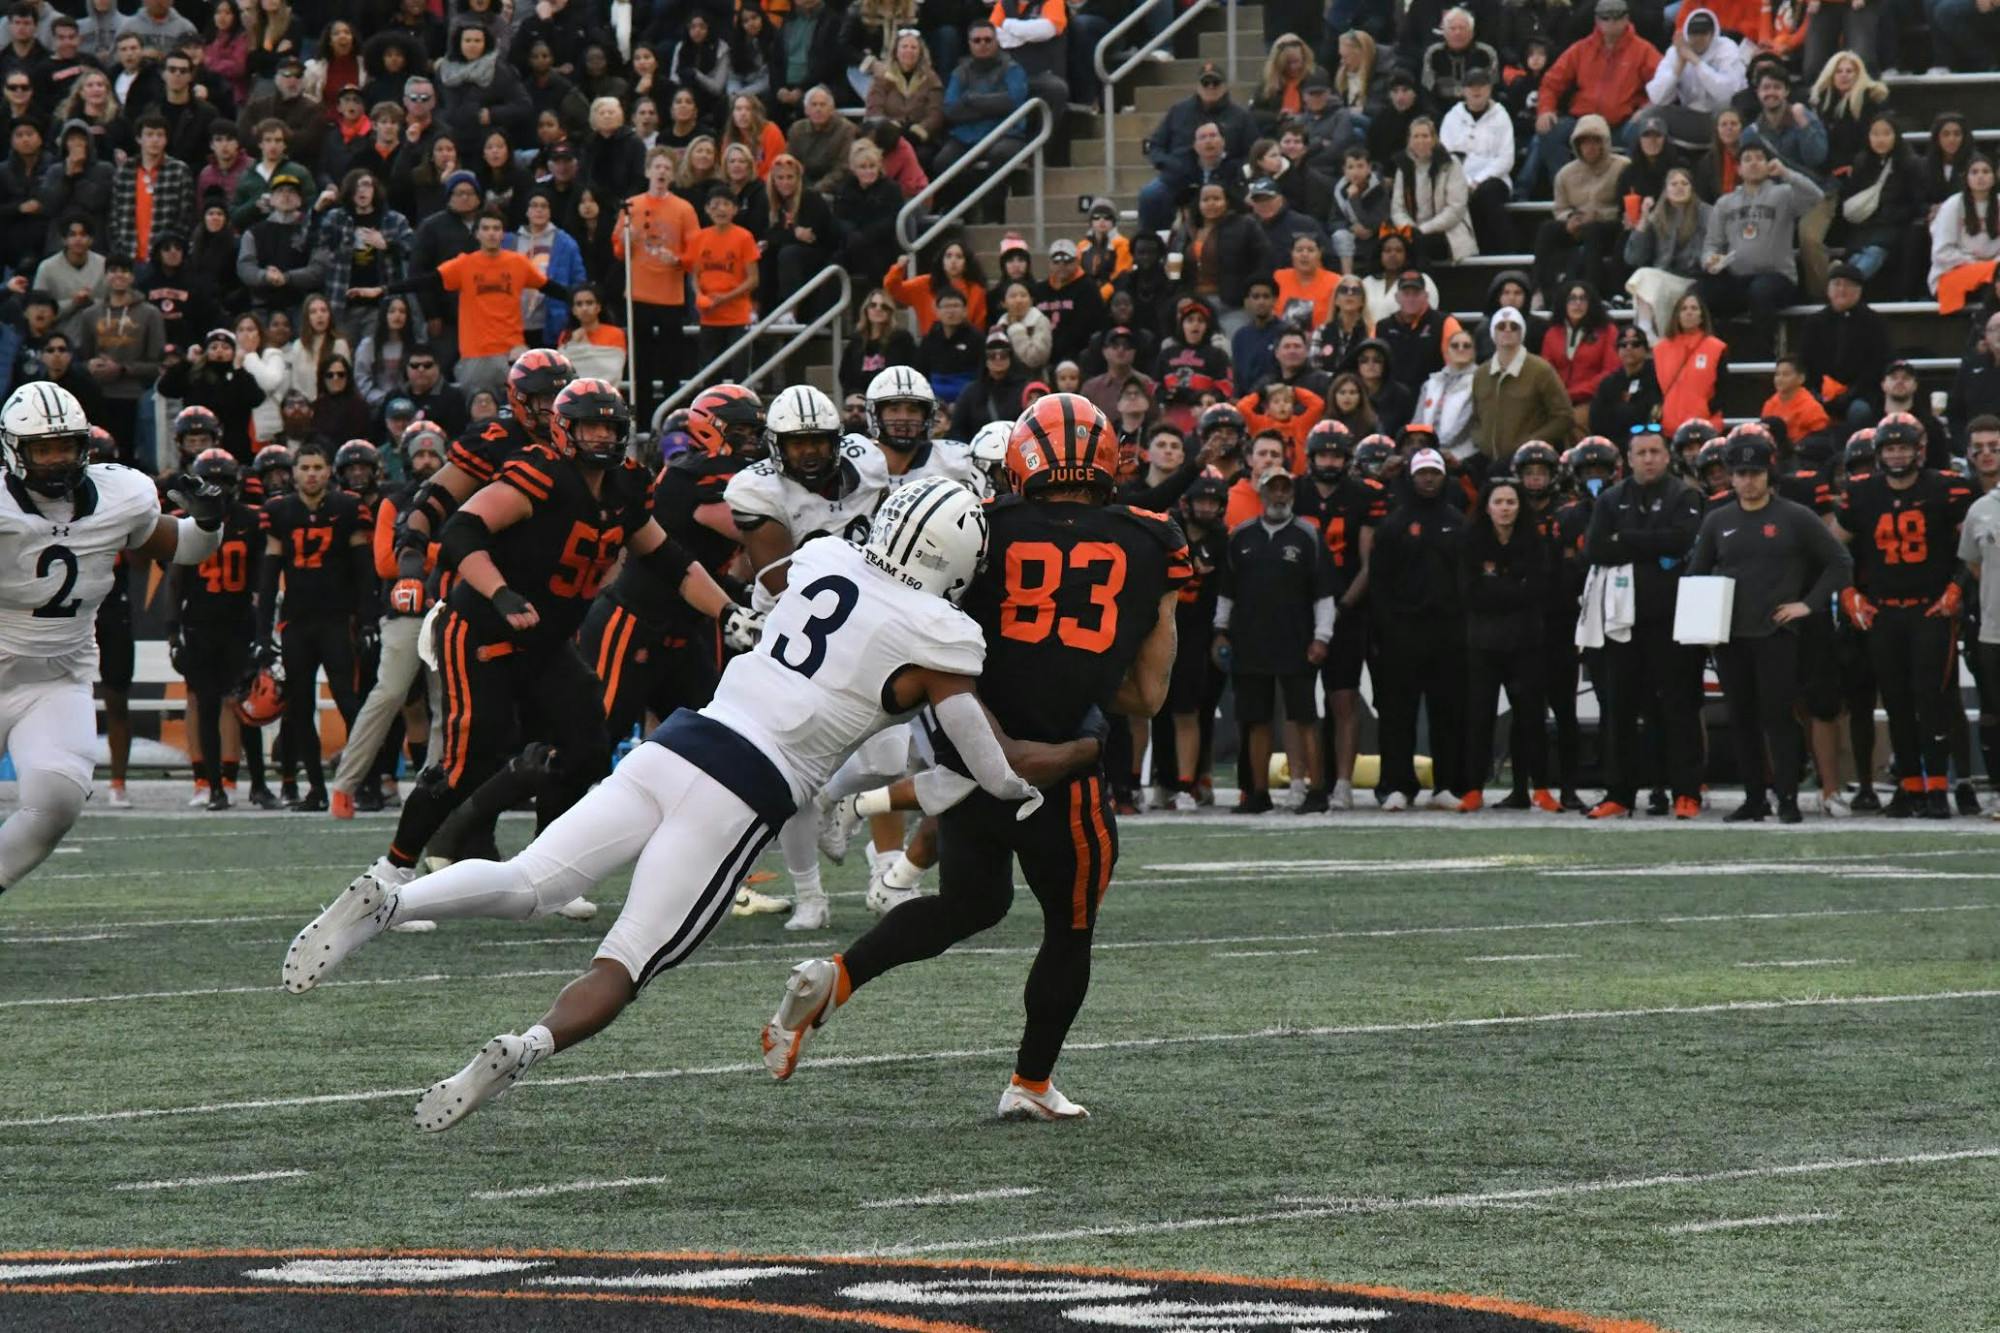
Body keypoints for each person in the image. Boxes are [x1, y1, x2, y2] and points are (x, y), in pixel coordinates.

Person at [765, 394, 1188, 1121]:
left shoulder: (981, 522)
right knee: (1069, 930)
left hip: (971, 753)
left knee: (972, 902)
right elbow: (1149, 695)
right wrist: (1079, 679)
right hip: (1065, 774)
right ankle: (1030, 1083)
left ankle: (838, 975)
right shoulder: (1154, 537)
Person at [1689, 430, 1853, 823]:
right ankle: (1754, 798)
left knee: (1778, 717)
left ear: (1769, 474)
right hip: (1730, 635)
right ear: (1731, 477)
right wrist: (1702, 626)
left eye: (1755, 473)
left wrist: (1807, 605)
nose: (1748, 481)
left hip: (1776, 634)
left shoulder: (1794, 516)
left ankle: (1788, 797)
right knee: (1741, 717)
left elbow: (1839, 562)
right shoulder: (1718, 520)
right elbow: (1697, 573)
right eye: (1741, 473)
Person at [1831, 416, 1976, 817]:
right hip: (1884, 612)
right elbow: (1833, 551)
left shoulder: (1946, 488)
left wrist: (1957, 588)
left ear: (1918, 451)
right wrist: (1848, 591)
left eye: (1903, 447)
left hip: (1930, 608)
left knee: (1932, 700)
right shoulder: (1862, 493)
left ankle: (1938, 787)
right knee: (1895, 701)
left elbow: (1971, 547)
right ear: (1879, 454)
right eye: (1890, 448)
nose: (1897, 455)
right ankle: (1911, 787)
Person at [1584, 426, 1705, 818]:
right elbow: (1596, 548)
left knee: (1678, 706)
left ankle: (1686, 792)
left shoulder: (1685, 495)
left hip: (1672, 619)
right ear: (1629, 459)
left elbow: (1683, 539)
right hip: (1622, 621)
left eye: (1655, 452)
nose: (1649, 459)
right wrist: (1653, 543)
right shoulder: (1611, 498)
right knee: (1619, 708)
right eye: (1641, 453)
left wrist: (1626, 539)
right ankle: (1619, 793)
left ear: (1667, 456)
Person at [1215, 468, 1334, 814]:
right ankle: (1258, 793)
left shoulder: (1308, 535)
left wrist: (1322, 637)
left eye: (1285, 489)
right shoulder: (1241, 536)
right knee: (1255, 720)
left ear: (1292, 494)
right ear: (1261, 493)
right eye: (1273, 489)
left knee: (1305, 718)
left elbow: (1324, 594)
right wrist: (1220, 630)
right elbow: (1226, 591)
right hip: (1250, 641)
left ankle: (1317, 791)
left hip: (1297, 641)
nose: (1279, 495)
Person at [1370, 447, 1466, 807]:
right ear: (1411, 477)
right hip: (1402, 632)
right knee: (1397, 713)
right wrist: (1385, 628)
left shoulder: (1457, 522)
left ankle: (1448, 785)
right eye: (1422, 473)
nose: (1428, 479)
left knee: (1448, 712)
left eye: (1434, 473)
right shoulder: (1394, 523)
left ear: (1444, 477)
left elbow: (1466, 581)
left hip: (1447, 633)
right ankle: (1396, 785)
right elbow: (1379, 581)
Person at [1452, 476, 1548, 811]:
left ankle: (1534, 788)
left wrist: (1499, 588)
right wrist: (1513, 587)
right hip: (1484, 644)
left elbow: (1538, 590)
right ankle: (1473, 788)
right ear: (1487, 507)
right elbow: (1470, 594)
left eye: (1511, 502)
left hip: (1525, 643)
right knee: (1479, 716)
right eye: (1498, 502)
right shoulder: (1471, 542)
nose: (1505, 508)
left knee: (1529, 717)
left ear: (1520, 507)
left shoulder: (1533, 543)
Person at [1525, 0, 1660, 195]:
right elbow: (1551, 83)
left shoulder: (1643, 50)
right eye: (1605, 18)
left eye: (1617, 18)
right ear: (1596, 20)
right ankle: (1567, 191)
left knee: (1642, 131)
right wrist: (1545, 110)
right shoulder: (1580, 49)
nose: (1611, 23)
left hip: (1621, 124)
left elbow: (1664, 86)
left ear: (1627, 19)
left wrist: (1646, 109)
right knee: (1549, 131)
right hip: (1582, 122)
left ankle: (1629, 193)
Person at [1138, 59, 1259, 232]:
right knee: (1150, 195)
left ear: (1225, 86)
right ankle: (1152, 241)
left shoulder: (1241, 116)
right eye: (1205, 82)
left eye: (1215, 82)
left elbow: (1253, 153)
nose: (1210, 87)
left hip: (1227, 179)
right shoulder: (1178, 111)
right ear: (1197, 86)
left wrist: (1234, 168)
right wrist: (1172, 165)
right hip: (1179, 178)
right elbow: (1155, 146)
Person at [1535, 114, 1628, 308]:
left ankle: (1593, 293)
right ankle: (1543, 292)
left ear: (1605, 142)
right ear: (1577, 145)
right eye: (1584, 142)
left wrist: (1599, 216)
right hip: (1577, 225)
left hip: (1610, 226)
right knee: (1547, 229)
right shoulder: (1565, 174)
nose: (1590, 147)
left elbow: (1625, 207)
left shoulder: (1622, 167)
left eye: (1596, 141)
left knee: (1593, 230)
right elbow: (1560, 207)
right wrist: (1569, 219)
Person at [1469, 305, 1572, 467]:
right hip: (1488, 461)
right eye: (1501, 326)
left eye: (1514, 326)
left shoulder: (1541, 370)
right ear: (1493, 333)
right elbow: (1475, 418)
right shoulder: (1480, 374)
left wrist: (1531, 443)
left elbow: (1564, 416)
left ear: (1522, 332)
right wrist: (1481, 441)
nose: (1507, 330)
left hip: (1529, 463)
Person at [1438, 66, 1515, 256]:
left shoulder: (1501, 116)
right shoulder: (1452, 118)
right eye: (1471, 86)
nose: (1476, 90)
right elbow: (1446, 157)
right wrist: (1464, 182)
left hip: (1494, 179)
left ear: (1489, 89)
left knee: (1487, 195)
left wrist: (1478, 181)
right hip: (1459, 180)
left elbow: (1506, 158)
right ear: (1464, 90)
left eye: (1481, 85)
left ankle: (1507, 253)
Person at [1389, 115, 1475, 268]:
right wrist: (1410, 229)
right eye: (1416, 136)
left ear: (1434, 139)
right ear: (1409, 140)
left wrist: (1422, 230)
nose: (1420, 141)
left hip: (1446, 231)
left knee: (1420, 245)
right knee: (1389, 244)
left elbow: (1456, 209)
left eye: (1425, 136)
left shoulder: (1450, 163)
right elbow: (1397, 209)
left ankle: (1423, 281)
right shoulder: (1403, 166)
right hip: (1412, 231)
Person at [1653, 290, 1728, 436]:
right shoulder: (1660, 349)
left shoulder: (1716, 347)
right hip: (1669, 427)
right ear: (1677, 315)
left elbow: (1724, 388)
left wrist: (1707, 410)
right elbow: (1655, 387)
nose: (1689, 312)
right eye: (1684, 309)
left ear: (1702, 316)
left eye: (1694, 308)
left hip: (1705, 426)